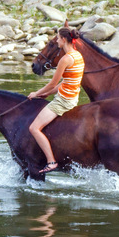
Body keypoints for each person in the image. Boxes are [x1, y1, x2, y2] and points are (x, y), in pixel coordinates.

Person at [24, 26, 85, 178]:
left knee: (34, 128)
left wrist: (36, 93)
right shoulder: (78, 56)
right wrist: (45, 94)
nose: (57, 41)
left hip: (63, 102)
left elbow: (52, 84)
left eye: (58, 38)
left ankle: (51, 161)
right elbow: (66, 83)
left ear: (64, 40)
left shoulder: (65, 59)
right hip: (72, 97)